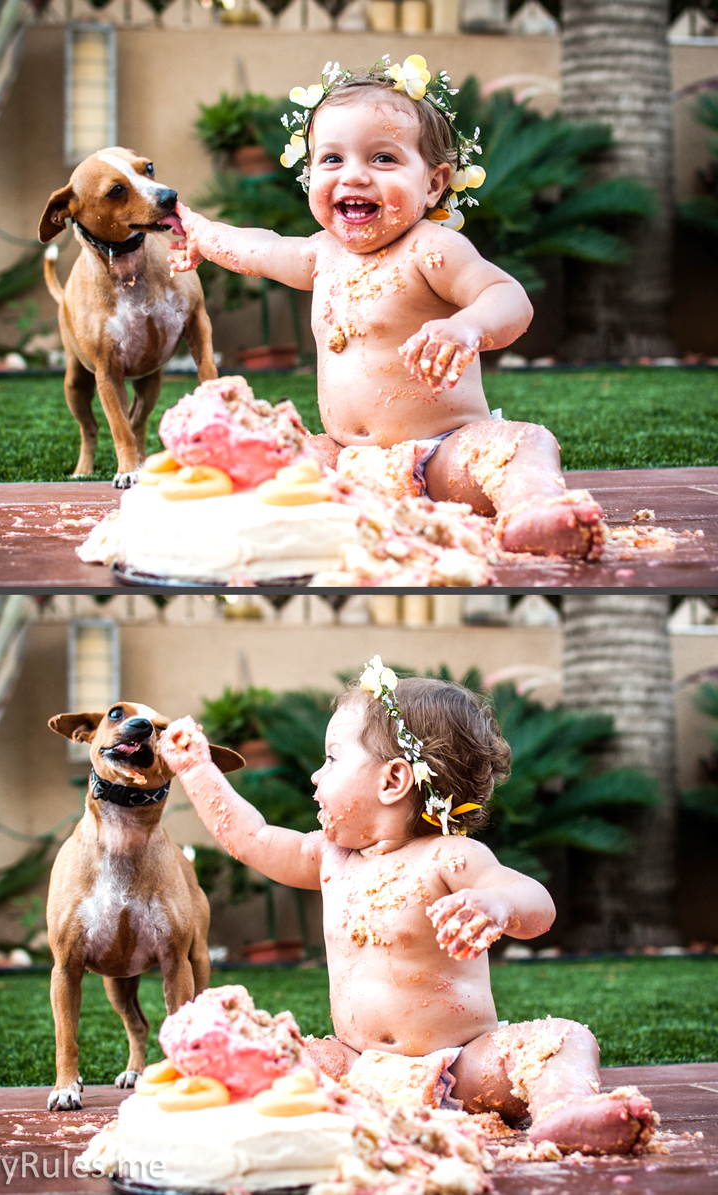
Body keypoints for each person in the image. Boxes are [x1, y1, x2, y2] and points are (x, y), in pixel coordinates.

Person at [160, 658, 656, 1156]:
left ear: (393, 781)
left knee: (563, 1039)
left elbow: (538, 903)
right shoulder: (329, 857)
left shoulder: (450, 856)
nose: (314, 775)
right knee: (284, 1051)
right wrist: (197, 768)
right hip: (356, 1067)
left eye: (331, 759)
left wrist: (497, 904)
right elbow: (251, 837)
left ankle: (565, 1110)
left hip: (466, 1067)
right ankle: (232, 1107)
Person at [164, 55, 604, 559]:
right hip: (345, 461)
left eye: (383, 159)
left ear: (434, 183)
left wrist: (468, 327)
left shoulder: (430, 249)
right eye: (332, 160)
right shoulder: (321, 254)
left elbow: (509, 297)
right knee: (279, 449)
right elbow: (256, 249)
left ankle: (535, 510)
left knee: (521, 443)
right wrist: (200, 231)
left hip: (442, 457)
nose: (354, 176)